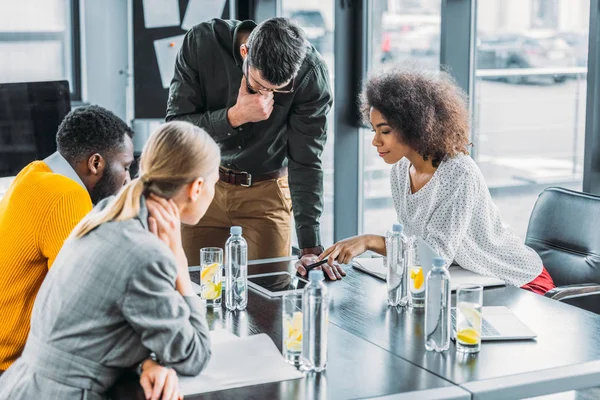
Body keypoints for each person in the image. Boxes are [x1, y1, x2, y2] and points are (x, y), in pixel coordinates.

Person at [0, 121, 218, 399]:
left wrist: (146, 360)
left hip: (21, 385)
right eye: (215, 183)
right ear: (197, 188)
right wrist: (179, 263)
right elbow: (194, 355)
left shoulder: (104, 213)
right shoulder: (147, 254)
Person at [297, 68, 555, 295]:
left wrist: (370, 241)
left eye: (385, 131)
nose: (375, 141)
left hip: (517, 282)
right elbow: (418, 246)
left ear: (415, 127)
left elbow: (435, 256)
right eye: (374, 130)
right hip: (468, 280)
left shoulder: (459, 172)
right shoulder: (400, 170)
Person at [166, 17, 340, 278]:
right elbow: (176, 130)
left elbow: (306, 161)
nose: (265, 96)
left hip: (266, 194)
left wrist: (309, 246)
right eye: (259, 85)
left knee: (270, 302)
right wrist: (234, 116)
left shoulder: (311, 74)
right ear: (244, 52)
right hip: (202, 187)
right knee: (194, 291)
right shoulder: (202, 43)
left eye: (276, 90)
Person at [0, 105, 135, 373]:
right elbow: (90, 305)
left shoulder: (34, 173)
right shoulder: (66, 195)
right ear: (96, 163)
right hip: (11, 369)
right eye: (126, 167)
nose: (129, 179)